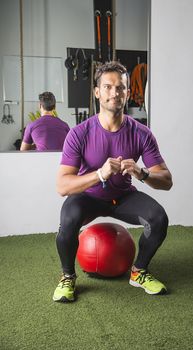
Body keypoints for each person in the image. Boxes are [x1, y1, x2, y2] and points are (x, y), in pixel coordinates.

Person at [53, 61, 173, 303]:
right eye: (107, 87)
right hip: (88, 197)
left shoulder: (142, 133)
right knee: (67, 221)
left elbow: (167, 180)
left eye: (120, 88)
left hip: (123, 197)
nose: (114, 93)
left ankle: (139, 271)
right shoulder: (79, 133)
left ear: (127, 92)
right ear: (97, 92)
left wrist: (142, 173)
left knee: (159, 218)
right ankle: (67, 276)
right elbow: (63, 186)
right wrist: (99, 174)